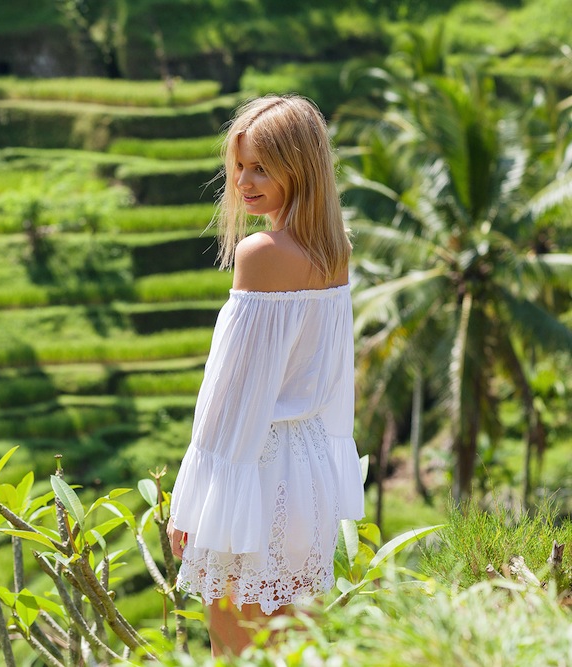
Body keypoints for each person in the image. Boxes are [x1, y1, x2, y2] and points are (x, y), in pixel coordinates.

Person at [166, 94, 365, 657]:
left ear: (298, 168)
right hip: (308, 476)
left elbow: (230, 396)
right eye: (239, 167)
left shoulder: (261, 254)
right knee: (294, 652)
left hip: (252, 472)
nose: (244, 182)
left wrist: (193, 500)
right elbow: (330, 382)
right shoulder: (335, 252)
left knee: (234, 653)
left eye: (260, 166)